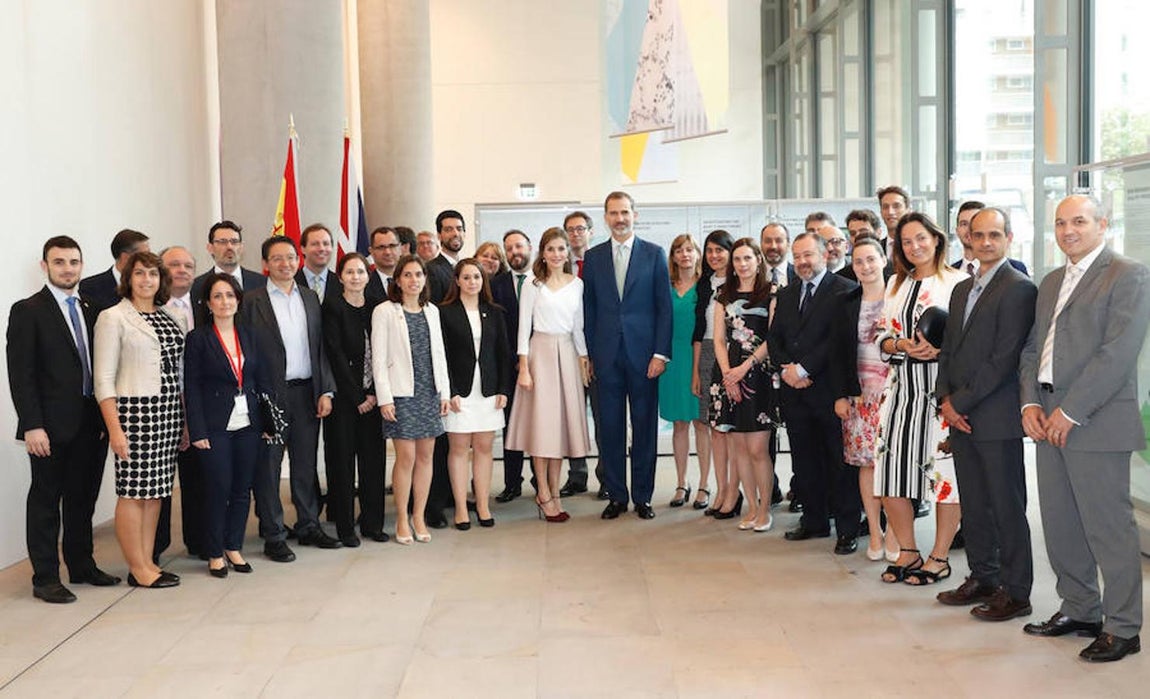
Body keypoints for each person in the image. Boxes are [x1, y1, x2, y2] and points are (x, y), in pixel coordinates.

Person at [1019, 194, 1150, 663]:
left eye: (1078, 221)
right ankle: (1080, 609)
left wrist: (1070, 411)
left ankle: (1123, 627)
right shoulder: (1052, 281)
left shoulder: (1128, 274)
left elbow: (1117, 354)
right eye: (1060, 223)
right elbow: (1033, 349)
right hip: (1046, 417)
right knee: (1061, 524)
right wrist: (1030, 403)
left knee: (1108, 528)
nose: (1068, 230)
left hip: (1095, 421)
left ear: (1102, 224)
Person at [933, 207, 1036, 621]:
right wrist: (944, 398)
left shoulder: (1019, 288)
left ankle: (1016, 592)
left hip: (995, 417)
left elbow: (1004, 358)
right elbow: (948, 350)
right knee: (974, 503)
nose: (986, 242)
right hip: (960, 416)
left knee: (1005, 507)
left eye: (995, 234)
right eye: (979, 235)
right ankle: (983, 577)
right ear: (968, 240)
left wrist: (960, 403)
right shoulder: (962, 289)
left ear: (1008, 238)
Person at [7, 236, 120, 603]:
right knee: (46, 502)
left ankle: (82, 565)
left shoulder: (92, 307)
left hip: (91, 424)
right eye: (59, 262)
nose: (67, 269)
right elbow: (21, 374)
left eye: (73, 262)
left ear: (81, 265)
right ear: (45, 266)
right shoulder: (28, 310)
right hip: (49, 428)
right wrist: (32, 425)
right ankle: (45, 578)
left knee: (82, 499)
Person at [874, 213, 967, 583]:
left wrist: (941, 351)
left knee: (945, 476)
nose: (915, 246)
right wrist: (901, 345)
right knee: (890, 473)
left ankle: (939, 556)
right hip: (899, 391)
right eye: (907, 241)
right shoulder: (894, 283)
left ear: (936, 239)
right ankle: (908, 551)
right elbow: (880, 334)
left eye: (921, 238)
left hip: (941, 392)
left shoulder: (958, 282)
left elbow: (968, 338)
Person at [93, 251, 186, 588]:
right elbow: (103, 379)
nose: (147, 280)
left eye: (153, 273)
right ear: (128, 279)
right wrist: (115, 429)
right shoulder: (113, 317)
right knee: (133, 492)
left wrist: (184, 421)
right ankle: (137, 566)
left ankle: (146, 563)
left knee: (156, 491)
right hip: (134, 413)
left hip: (167, 412)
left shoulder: (171, 316)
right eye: (140, 273)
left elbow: (178, 372)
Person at [245, 236, 340, 563]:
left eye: (290, 257)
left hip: (306, 393)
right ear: (265, 264)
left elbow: (320, 348)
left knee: (305, 464)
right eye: (277, 258)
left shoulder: (310, 297)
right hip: (269, 397)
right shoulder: (251, 301)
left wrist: (325, 390)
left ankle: (309, 524)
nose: (285, 264)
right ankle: (273, 533)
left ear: (298, 260)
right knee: (269, 467)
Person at [769, 233, 860, 554]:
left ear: (824, 254)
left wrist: (804, 369)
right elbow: (774, 338)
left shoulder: (845, 290)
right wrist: (787, 370)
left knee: (839, 463)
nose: (802, 262)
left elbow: (838, 341)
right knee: (805, 461)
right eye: (797, 256)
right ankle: (814, 520)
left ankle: (847, 529)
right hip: (794, 393)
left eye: (808, 255)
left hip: (830, 391)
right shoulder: (787, 293)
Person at [583, 192, 672, 520]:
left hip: (645, 357)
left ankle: (643, 497)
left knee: (645, 427)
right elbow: (589, 310)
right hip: (606, 357)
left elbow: (664, 308)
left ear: (635, 214)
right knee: (610, 428)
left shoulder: (654, 254)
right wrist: (590, 354)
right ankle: (616, 496)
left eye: (624, 212)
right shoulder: (593, 258)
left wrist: (660, 353)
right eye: (613, 213)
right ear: (606, 217)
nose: (619, 219)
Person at [184, 273, 269, 577]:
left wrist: (266, 421)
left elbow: (259, 378)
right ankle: (214, 551)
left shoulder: (249, 334)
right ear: (208, 303)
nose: (224, 302)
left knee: (242, 489)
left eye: (230, 295)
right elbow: (192, 387)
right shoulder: (198, 338)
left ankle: (233, 546)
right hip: (214, 425)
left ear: (238, 300)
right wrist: (197, 430)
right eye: (217, 296)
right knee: (218, 488)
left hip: (248, 423)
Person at [507, 228, 591, 522]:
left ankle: (555, 492)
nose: (556, 254)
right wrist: (524, 367)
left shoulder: (577, 284)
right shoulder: (533, 283)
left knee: (560, 431)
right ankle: (542, 492)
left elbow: (578, 326)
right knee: (542, 429)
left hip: (567, 354)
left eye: (561, 249)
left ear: (568, 252)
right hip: (539, 354)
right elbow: (523, 328)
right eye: (551, 249)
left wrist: (583, 359)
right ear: (542, 253)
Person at [371, 255, 450, 544]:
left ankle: (419, 515)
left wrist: (444, 392)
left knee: (426, 456)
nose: (413, 280)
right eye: (407, 275)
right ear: (398, 280)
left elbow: (439, 355)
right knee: (406, 457)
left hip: (429, 392)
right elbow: (379, 359)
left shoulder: (432, 311)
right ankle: (402, 518)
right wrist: (385, 398)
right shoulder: (384, 311)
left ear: (425, 279)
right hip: (401, 394)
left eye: (418, 274)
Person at [709, 238, 778, 532]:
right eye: (737, 259)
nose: (742, 264)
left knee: (758, 448)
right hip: (727, 377)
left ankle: (764, 509)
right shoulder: (722, 295)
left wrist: (743, 369)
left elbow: (772, 338)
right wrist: (728, 374)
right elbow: (718, 340)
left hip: (758, 375)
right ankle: (750, 507)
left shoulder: (772, 292)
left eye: (748, 258)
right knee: (738, 447)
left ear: (758, 260)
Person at [440, 259, 512, 529]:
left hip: (488, 391)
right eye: (467, 277)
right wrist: (450, 391)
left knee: (484, 448)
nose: (472, 282)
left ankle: (482, 505)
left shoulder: (494, 312)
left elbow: (503, 353)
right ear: (457, 281)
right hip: (459, 393)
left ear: (484, 281)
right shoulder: (444, 312)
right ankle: (461, 508)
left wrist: (503, 389)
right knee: (459, 449)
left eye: (477, 277)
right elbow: (442, 356)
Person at [323, 253, 388, 546]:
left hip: (374, 398)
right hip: (344, 401)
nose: (355, 277)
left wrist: (374, 393)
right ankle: (346, 528)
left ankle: (373, 524)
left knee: (373, 463)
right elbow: (335, 354)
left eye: (360, 272)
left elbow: (383, 353)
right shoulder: (332, 306)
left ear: (367, 275)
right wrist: (357, 396)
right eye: (349, 272)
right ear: (340, 277)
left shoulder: (377, 306)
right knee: (343, 465)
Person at [834, 236, 893, 560]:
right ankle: (874, 532)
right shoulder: (846, 302)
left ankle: (896, 532)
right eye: (858, 261)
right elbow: (838, 353)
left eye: (871, 259)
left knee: (894, 465)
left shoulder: (899, 296)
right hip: (859, 398)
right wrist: (841, 395)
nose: (866, 266)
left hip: (895, 395)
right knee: (866, 466)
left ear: (883, 260)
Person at [157, 246, 203, 562]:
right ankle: (155, 548)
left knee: (197, 479)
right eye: (174, 264)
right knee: (159, 484)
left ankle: (199, 541)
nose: (182, 270)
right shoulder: (149, 308)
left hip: (198, 405)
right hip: (159, 407)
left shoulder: (205, 305)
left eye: (188, 265)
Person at [560, 211, 607, 498]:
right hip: (567, 352)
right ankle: (577, 476)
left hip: (599, 352)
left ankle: (606, 478)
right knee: (572, 418)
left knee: (603, 418)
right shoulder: (557, 265)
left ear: (590, 231)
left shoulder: (601, 262)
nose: (575, 234)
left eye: (580, 229)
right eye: (570, 229)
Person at [659, 235, 708, 507]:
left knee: (701, 423)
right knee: (679, 424)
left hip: (698, 356)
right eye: (679, 250)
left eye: (690, 249)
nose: (685, 254)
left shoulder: (705, 286)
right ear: (673, 257)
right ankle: (681, 483)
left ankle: (704, 485)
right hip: (672, 360)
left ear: (697, 254)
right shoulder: (665, 286)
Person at [693, 230, 734, 514]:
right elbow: (698, 332)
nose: (714, 255)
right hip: (708, 356)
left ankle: (735, 491)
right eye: (709, 250)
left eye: (720, 250)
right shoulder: (704, 285)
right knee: (714, 428)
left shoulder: (740, 283)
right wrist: (696, 371)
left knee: (732, 429)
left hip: (734, 357)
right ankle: (721, 489)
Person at [492, 230, 534, 504]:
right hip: (506, 366)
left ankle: (542, 480)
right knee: (511, 425)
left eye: (519, 246)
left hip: (539, 362)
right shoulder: (496, 284)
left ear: (529, 247)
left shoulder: (542, 280)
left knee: (540, 424)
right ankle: (512, 482)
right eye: (509, 248)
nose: (514, 252)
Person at [191, 221, 267, 326]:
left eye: (234, 242)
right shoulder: (197, 286)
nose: (229, 247)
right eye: (222, 242)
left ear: (241, 247)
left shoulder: (262, 283)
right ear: (210, 248)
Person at [950, 200, 1029, 276]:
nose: (969, 229)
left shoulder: (1016, 268)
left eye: (976, 223)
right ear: (957, 231)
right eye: (964, 224)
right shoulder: (949, 272)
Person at [80, 228, 150, 312]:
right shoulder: (91, 287)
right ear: (126, 257)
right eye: (145, 255)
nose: (149, 259)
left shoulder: (150, 284)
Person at [295, 223, 341, 303]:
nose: (321, 249)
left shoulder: (341, 283)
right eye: (315, 244)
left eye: (326, 244)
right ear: (303, 249)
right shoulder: (291, 281)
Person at [366, 226, 402, 303]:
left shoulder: (414, 280)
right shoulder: (365, 284)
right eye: (381, 247)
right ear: (371, 251)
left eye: (392, 246)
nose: (387, 252)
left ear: (400, 248)